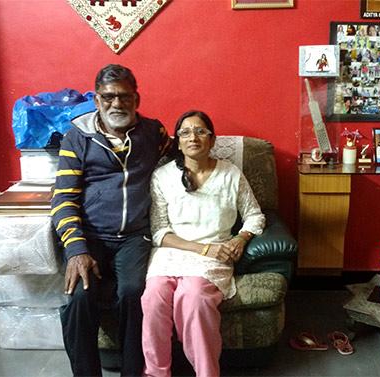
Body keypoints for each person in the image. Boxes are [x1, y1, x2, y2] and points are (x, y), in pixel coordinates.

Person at [51, 64, 172, 376]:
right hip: (90, 235)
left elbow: (178, 166)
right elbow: (63, 199)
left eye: (124, 97)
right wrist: (76, 250)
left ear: (136, 99)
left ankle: (133, 372)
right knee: (79, 296)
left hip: (135, 236)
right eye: (108, 97)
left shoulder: (153, 133)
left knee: (133, 292)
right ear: (96, 99)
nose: (116, 104)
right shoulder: (77, 137)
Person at [140, 110, 265, 377]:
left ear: (212, 139)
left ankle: (207, 372)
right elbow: (160, 231)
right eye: (185, 132)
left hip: (214, 256)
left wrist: (241, 239)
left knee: (193, 296)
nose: (193, 137)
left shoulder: (230, 174)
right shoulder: (162, 177)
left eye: (200, 131)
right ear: (178, 141)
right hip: (172, 253)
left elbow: (254, 215)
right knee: (153, 297)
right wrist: (202, 248)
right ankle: (156, 373)